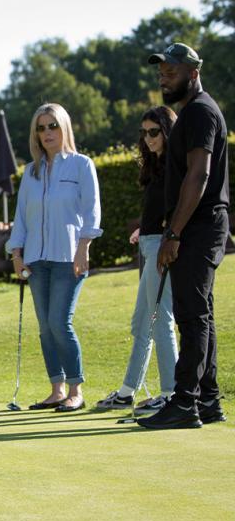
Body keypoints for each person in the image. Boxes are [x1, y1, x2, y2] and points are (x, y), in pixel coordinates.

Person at [138, 43, 229, 429]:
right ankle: (207, 399)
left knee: (191, 316)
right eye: (161, 73)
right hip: (198, 227)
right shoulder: (194, 111)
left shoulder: (200, 112)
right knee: (199, 314)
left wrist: (173, 233)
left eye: (171, 72)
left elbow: (199, 175)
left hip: (199, 226)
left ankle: (185, 403)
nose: (163, 78)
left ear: (193, 73)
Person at [6, 103, 103, 412]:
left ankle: (76, 389)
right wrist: (16, 254)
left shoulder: (81, 165)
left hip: (68, 257)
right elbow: (21, 217)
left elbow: (92, 210)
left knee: (60, 323)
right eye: (41, 127)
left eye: (52, 126)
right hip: (35, 260)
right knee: (46, 327)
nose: (47, 132)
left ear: (64, 128)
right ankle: (57, 389)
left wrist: (84, 247)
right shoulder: (30, 173)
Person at [96, 107, 179, 414]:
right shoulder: (156, 165)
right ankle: (128, 391)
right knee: (141, 322)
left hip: (162, 248)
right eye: (145, 132)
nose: (149, 138)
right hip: (149, 244)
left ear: (168, 131)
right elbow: (157, 209)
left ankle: (171, 393)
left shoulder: (175, 164)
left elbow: (177, 209)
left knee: (159, 320)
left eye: (154, 132)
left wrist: (162, 238)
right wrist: (143, 232)